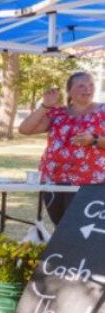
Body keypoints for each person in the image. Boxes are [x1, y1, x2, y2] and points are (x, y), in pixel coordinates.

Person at [19, 71, 105, 225]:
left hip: (91, 181)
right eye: (81, 86)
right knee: (60, 228)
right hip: (54, 179)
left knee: (81, 230)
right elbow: (25, 129)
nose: (88, 89)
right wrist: (45, 106)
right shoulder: (57, 113)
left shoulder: (102, 111)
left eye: (91, 85)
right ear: (69, 91)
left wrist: (94, 140)